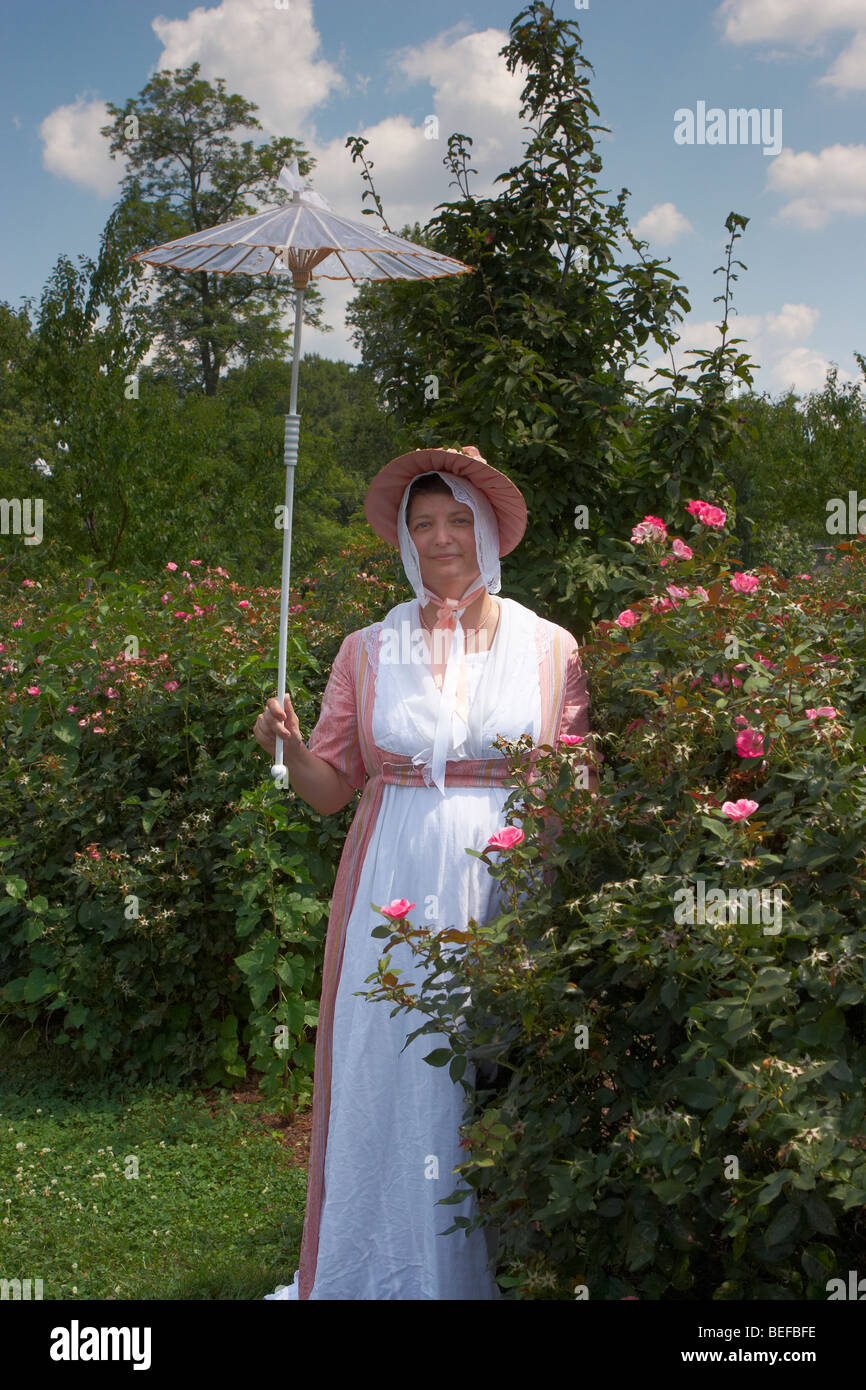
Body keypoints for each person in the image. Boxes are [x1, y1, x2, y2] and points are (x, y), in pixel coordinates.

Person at [254, 444, 593, 1300]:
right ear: (406, 541)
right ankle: (391, 1268)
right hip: (394, 883)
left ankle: (515, 1264)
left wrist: (562, 897)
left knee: (503, 1068)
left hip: (509, 883)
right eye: (424, 523)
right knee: (394, 1065)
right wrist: (290, 750)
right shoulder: (366, 651)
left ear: (487, 531)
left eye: (457, 520)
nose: (442, 538)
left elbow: (575, 782)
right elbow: (330, 791)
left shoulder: (551, 648)